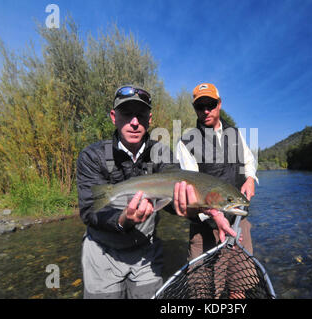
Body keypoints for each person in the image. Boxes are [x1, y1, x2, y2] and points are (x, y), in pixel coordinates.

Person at [77, 84, 236, 299]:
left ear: (149, 119)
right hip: (102, 252)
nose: (134, 122)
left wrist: (210, 210)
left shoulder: (161, 153)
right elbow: (88, 210)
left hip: (145, 251)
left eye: (141, 115)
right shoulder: (92, 156)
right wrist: (123, 220)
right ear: (114, 117)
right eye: (127, 114)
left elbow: (175, 197)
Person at [175, 83, 259, 298]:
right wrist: (214, 214)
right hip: (204, 228)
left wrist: (250, 178)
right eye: (200, 106)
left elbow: (249, 160)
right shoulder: (186, 142)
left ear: (219, 104)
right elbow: (190, 190)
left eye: (210, 105)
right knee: (202, 291)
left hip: (239, 222)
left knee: (240, 285)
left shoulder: (234, 133)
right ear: (195, 108)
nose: (205, 111)